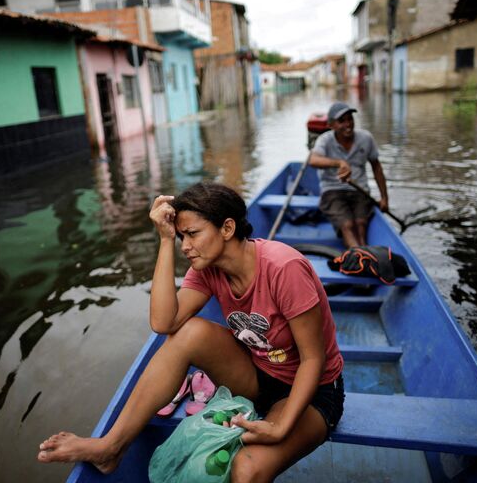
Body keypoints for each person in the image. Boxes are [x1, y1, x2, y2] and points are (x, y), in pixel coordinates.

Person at [37, 182, 345, 482]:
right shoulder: (206, 270)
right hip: (259, 374)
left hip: (313, 390)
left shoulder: (283, 268)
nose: (186, 245)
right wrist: (164, 240)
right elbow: (164, 322)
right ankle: (111, 446)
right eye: (182, 236)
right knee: (187, 333)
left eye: (193, 234)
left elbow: (312, 360)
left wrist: (280, 427)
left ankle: (280, 425)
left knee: (246, 469)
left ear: (227, 228)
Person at [309, 101, 389, 248]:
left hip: (359, 190)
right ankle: (360, 255)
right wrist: (339, 163)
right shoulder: (325, 140)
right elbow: (313, 160)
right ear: (331, 125)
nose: (348, 124)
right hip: (332, 190)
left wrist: (384, 198)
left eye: (350, 119)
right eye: (342, 121)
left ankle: (363, 253)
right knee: (347, 224)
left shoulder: (366, 138)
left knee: (361, 223)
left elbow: (377, 168)